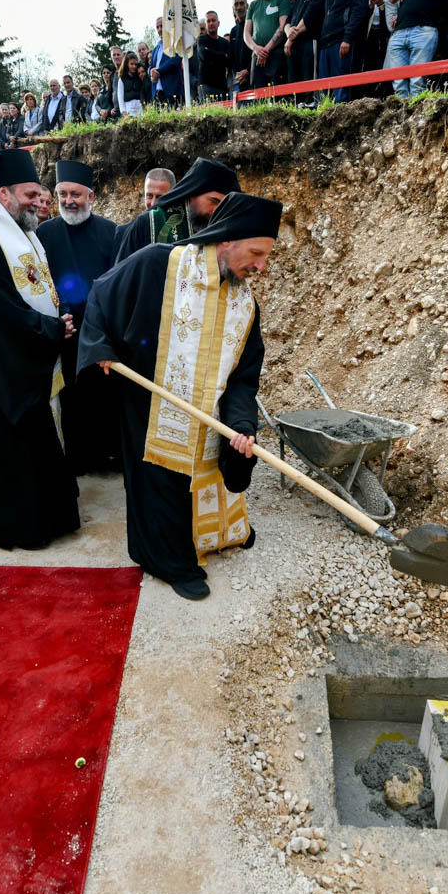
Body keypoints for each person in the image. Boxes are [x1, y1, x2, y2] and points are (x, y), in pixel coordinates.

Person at [78, 192, 282, 600]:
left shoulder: (245, 304)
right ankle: (167, 561)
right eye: (256, 253)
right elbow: (101, 293)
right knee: (162, 485)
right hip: (152, 406)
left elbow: (243, 377)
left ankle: (213, 535)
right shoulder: (160, 263)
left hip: (210, 416)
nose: (261, 266)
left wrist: (241, 424)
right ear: (228, 238)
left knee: (211, 474)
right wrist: (99, 345)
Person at [0, 150, 80, 550]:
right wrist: (50, 328)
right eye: (30, 195)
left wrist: (58, 317)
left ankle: (50, 514)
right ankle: (19, 525)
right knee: (11, 451)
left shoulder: (23, 231)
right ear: (2, 193)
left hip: (28, 357)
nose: (37, 202)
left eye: (39, 195)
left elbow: (42, 288)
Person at [38, 161, 121, 475]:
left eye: (76, 194)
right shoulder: (43, 233)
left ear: (91, 196)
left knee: (104, 394)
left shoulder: (111, 232)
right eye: (63, 194)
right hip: (64, 330)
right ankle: (77, 458)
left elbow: (117, 283)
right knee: (71, 395)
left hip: (101, 331)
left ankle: (110, 454)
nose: (69, 200)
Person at [115, 157, 241, 262]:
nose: (218, 210)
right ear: (193, 194)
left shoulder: (225, 235)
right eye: (214, 201)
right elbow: (122, 278)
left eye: (224, 205)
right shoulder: (146, 224)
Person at [318, 0, 370, 101]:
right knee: (323, 95)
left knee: (342, 94)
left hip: (342, 42)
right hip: (326, 43)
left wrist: (347, 38)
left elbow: (359, 8)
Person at [285, 0, 329, 98]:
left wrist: (290, 38)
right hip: (295, 47)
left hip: (311, 42)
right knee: (295, 89)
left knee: (310, 87)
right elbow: (289, 20)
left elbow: (310, 16)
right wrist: (288, 32)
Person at [244, 0, 292, 88]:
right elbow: (246, 33)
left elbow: (282, 27)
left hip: (276, 54)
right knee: (257, 94)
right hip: (257, 57)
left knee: (277, 94)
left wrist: (266, 50)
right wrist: (256, 48)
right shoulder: (253, 5)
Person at [149, 17, 184, 107]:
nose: (159, 29)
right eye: (157, 27)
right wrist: (151, 71)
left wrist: (159, 72)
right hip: (157, 93)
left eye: (162, 26)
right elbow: (150, 66)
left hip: (172, 93)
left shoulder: (175, 44)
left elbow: (176, 60)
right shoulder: (156, 49)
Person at [197, 11, 230, 100]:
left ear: (218, 23)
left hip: (221, 86)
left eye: (213, 20)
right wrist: (223, 56)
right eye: (208, 21)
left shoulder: (225, 43)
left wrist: (210, 54)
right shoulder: (202, 40)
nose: (211, 23)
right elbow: (204, 55)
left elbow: (229, 61)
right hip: (205, 85)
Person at [229, 0, 252, 95]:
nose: (239, 7)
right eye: (236, 4)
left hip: (253, 77)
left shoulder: (254, 25)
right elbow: (232, 57)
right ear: (233, 9)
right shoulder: (233, 31)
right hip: (240, 81)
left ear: (247, 6)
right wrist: (238, 75)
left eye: (242, 3)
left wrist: (248, 71)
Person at [117, 51, 145, 117]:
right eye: (131, 64)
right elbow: (120, 97)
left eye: (135, 64)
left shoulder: (139, 76)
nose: (134, 66)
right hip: (128, 108)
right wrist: (124, 112)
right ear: (127, 64)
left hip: (140, 108)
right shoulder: (122, 79)